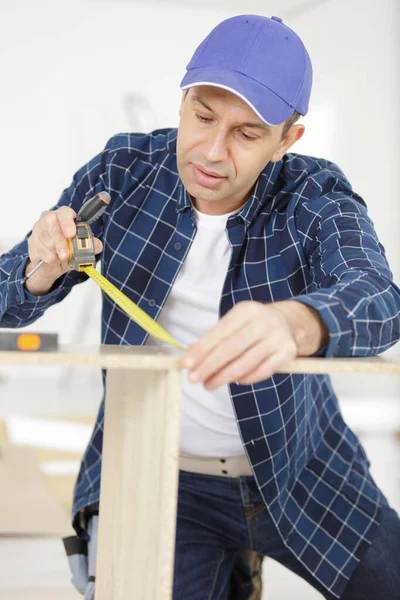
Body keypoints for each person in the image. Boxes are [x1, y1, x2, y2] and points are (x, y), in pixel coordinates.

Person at [1, 13, 400, 600]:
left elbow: (380, 298)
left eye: (246, 133)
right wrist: (41, 267)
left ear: (287, 141)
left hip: (303, 473)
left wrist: (296, 321)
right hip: (161, 479)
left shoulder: (314, 197)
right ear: (183, 100)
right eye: (203, 117)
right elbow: (7, 294)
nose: (212, 152)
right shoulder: (124, 171)